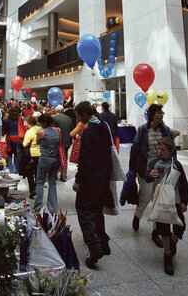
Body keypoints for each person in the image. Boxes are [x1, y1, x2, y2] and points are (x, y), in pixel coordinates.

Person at [72, 101, 112, 268]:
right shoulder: (103, 124)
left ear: (82, 114)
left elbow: (85, 160)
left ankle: (94, 246)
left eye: (77, 116)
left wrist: (78, 180)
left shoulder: (89, 132)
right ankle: (103, 241)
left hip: (90, 179)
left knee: (83, 209)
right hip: (103, 177)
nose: (78, 120)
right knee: (97, 210)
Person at [129, 103, 175, 247]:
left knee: (157, 199)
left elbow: (172, 149)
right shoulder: (143, 130)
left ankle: (156, 231)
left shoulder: (166, 130)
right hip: (146, 169)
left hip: (162, 170)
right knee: (145, 197)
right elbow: (135, 149)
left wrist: (174, 166)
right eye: (159, 113)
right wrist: (132, 168)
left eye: (162, 113)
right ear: (152, 115)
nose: (162, 115)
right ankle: (137, 216)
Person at [146, 137, 188, 275]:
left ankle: (173, 241)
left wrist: (184, 201)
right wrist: (150, 175)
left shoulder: (176, 164)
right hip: (161, 201)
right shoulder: (154, 163)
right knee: (163, 229)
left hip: (175, 201)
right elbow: (147, 177)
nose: (160, 152)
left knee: (180, 225)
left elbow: (184, 184)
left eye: (163, 150)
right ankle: (167, 254)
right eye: (158, 149)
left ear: (171, 151)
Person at [33, 114, 60, 214]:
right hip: (55, 159)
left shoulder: (41, 132)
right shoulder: (58, 130)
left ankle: (37, 207)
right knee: (52, 182)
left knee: (40, 182)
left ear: (43, 123)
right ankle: (52, 208)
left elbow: (37, 142)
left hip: (45, 158)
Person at [52, 104, 73, 181]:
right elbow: (71, 130)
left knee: (56, 159)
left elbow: (53, 130)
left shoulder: (54, 118)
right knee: (65, 158)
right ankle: (64, 176)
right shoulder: (69, 119)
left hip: (57, 142)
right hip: (67, 142)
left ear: (56, 110)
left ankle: (54, 175)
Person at [22, 115, 41, 199]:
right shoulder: (40, 129)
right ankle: (38, 189)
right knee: (38, 173)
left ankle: (32, 189)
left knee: (29, 172)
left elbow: (25, 144)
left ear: (29, 123)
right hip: (41, 154)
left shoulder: (29, 132)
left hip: (32, 154)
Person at [3, 106, 24, 173]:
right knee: (17, 154)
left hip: (9, 138)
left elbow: (5, 129)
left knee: (9, 153)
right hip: (18, 138)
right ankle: (16, 169)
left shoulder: (8, 120)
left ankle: (10, 168)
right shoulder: (20, 119)